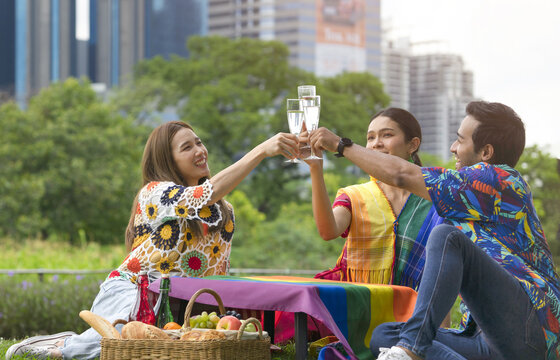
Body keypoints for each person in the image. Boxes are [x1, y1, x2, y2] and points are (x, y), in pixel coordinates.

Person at [6, 121, 299, 360]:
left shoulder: (225, 211)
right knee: (117, 350)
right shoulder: (155, 193)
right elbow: (202, 195)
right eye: (187, 147)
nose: (200, 150)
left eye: (199, 142)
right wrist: (261, 150)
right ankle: (57, 347)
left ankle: (77, 343)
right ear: (167, 160)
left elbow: (216, 273)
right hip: (133, 293)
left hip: (177, 305)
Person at [306, 101, 560, 359]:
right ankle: (409, 346)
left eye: (460, 140)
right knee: (385, 335)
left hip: (530, 331)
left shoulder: (499, 180)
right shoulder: (466, 194)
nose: (453, 148)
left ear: (486, 152)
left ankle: (411, 349)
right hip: (487, 339)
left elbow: (404, 175)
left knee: (446, 236)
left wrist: (340, 145)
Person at [308, 108, 442, 289]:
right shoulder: (354, 196)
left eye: (387, 135)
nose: (376, 143)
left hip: (412, 311)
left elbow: (438, 280)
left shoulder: (435, 200)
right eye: (370, 138)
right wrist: (316, 167)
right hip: (358, 307)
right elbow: (328, 231)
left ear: (413, 144)